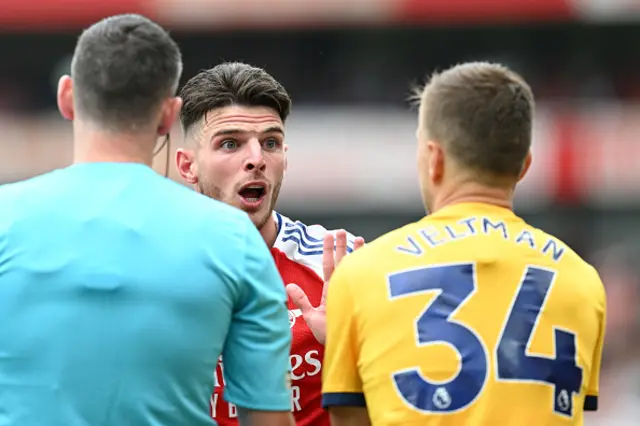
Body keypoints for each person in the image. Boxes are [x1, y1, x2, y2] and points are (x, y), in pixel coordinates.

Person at [0, 15, 293, 426]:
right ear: (169, 116)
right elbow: (268, 420)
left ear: (67, 97)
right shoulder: (234, 240)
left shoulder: (5, 219)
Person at [321, 62, 606, 426]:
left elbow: (351, 420)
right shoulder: (582, 280)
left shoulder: (361, 275)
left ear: (434, 159)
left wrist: (348, 344)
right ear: (524, 166)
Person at [175, 62, 365, 426]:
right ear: (188, 167)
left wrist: (349, 350)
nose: (257, 160)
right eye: (230, 144)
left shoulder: (343, 265)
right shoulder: (150, 272)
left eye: (270, 143)